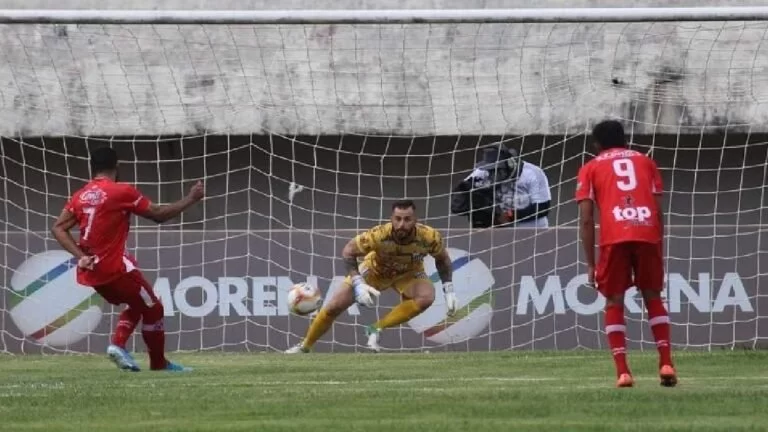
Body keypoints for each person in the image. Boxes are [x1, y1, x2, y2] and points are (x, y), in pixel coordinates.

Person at [51, 147, 205, 372]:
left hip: (93, 273)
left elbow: (58, 228)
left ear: (92, 167)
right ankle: (142, 356)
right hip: (114, 270)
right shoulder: (121, 191)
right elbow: (158, 215)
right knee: (154, 307)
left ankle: (126, 349)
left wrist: (81, 257)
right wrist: (191, 198)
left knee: (138, 302)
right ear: (117, 165)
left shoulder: (80, 195)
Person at [575, 120, 677, 388]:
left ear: (596, 145)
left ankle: (623, 372)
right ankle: (666, 362)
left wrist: (590, 263)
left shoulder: (590, 167)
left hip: (615, 236)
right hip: (647, 232)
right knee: (653, 296)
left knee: (614, 301)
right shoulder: (646, 162)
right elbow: (658, 211)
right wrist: (658, 243)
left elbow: (586, 219)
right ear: (625, 140)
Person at [286, 200, 457, 353]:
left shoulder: (429, 237)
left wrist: (448, 289)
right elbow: (348, 251)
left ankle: (376, 328)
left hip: (408, 273)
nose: (401, 224)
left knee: (426, 297)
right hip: (375, 271)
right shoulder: (379, 234)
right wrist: (358, 283)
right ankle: (305, 346)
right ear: (391, 218)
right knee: (333, 307)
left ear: (415, 220)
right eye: (398, 219)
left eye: (407, 219)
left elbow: (443, 260)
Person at [451, 144, 551, 228]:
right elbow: (460, 195)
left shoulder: (532, 173)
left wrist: (510, 216)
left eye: (497, 169)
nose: (492, 174)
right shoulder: (482, 172)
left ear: (510, 164)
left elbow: (543, 207)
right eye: (490, 170)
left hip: (532, 232)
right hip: (498, 234)